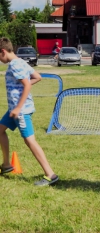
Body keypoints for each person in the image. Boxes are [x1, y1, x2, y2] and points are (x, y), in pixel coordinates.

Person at [0, 37, 59, 186]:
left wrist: (19, 107)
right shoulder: (21, 62)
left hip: (21, 111)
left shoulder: (15, 65)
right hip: (14, 109)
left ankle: (50, 174)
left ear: (3, 51)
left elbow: (27, 84)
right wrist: (19, 89)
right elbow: (37, 77)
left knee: (29, 140)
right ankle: (6, 165)